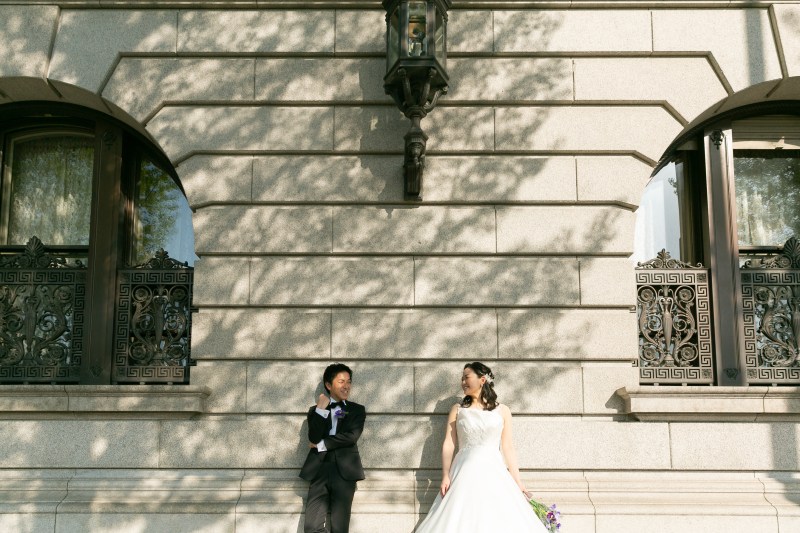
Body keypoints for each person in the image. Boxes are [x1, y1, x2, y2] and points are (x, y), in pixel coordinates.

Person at [414, 362, 548, 532]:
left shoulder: (503, 410)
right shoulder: (458, 410)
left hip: (494, 471)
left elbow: (508, 447)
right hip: (463, 472)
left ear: (482, 380)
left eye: (466, 377)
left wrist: (517, 481)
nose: (462, 382)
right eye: (461, 378)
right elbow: (449, 443)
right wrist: (446, 475)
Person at [299, 363, 366, 533]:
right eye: (341, 381)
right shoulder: (315, 410)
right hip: (319, 470)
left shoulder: (357, 410)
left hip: (345, 473)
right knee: (311, 528)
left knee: (339, 528)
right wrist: (321, 410)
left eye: (349, 382)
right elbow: (313, 437)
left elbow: (352, 436)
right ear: (328, 385)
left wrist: (323, 444)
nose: (346, 386)